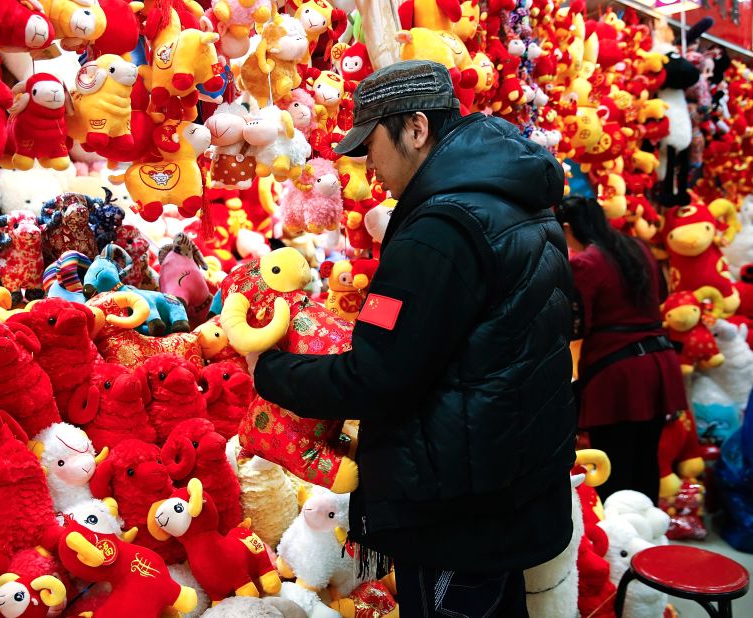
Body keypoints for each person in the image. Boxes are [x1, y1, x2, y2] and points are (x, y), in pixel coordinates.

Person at [250, 60, 577, 617]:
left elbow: (379, 377)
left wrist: (268, 370)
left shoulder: (440, 228)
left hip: (456, 505)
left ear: (417, 128)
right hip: (505, 484)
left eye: (372, 144)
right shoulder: (513, 203)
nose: (369, 166)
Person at [555, 196, 687, 502]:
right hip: (658, 362)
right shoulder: (637, 248)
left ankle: (619, 542)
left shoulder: (586, 262)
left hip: (618, 373)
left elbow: (576, 324)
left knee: (613, 464)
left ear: (566, 227)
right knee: (646, 459)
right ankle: (648, 536)